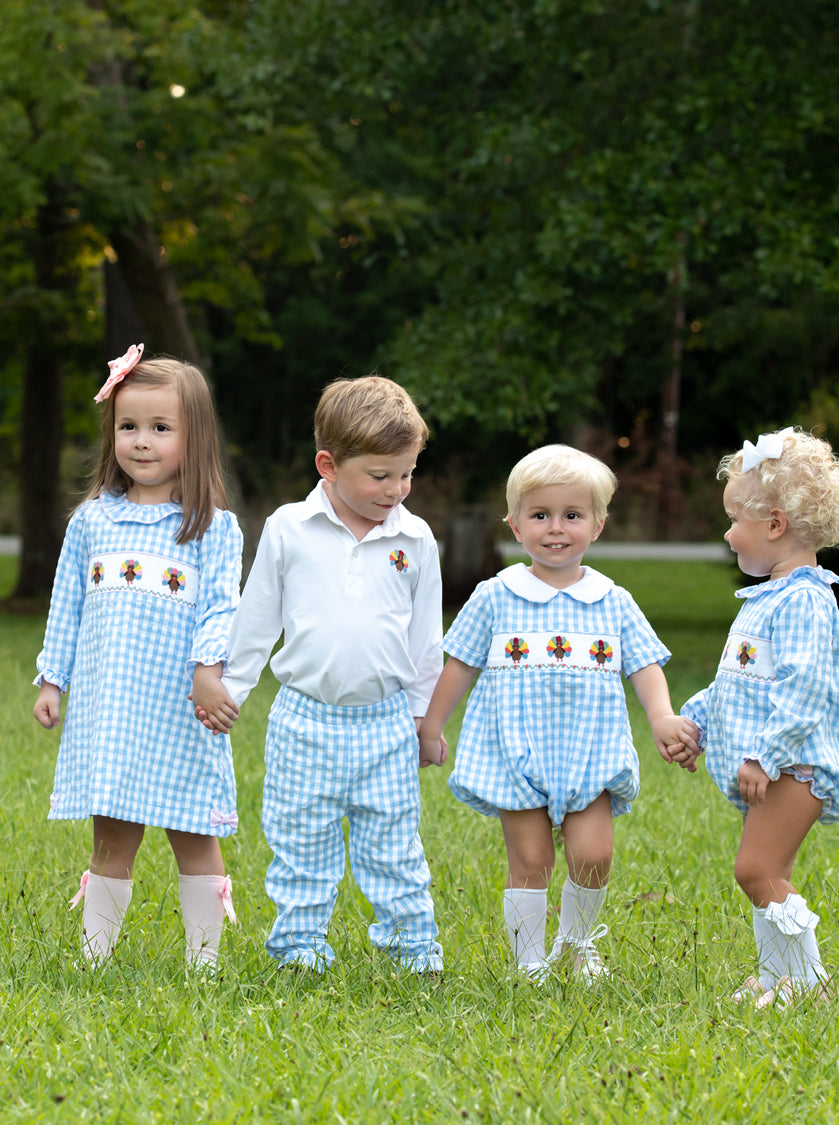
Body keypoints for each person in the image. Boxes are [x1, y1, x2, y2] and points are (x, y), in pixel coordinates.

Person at [417, 445, 699, 981]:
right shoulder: (495, 596)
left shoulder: (611, 599)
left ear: (597, 524)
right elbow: (459, 666)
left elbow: (644, 664)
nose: (556, 528)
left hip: (589, 749)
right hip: (514, 751)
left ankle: (577, 944)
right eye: (540, 515)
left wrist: (661, 716)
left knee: (593, 857)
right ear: (515, 525)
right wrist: (432, 725)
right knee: (532, 862)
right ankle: (529, 962)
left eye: (572, 515)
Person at [206, 375, 444, 974]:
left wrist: (426, 717)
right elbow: (257, 619)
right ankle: (300, 946)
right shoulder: (291, 528)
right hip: (304, 718)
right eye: (381, 475)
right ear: (329, 465)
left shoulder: (414, 538)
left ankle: (411, 944)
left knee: (393, 843)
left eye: (407, 473)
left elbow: (424, 640)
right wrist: (228, 691)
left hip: (386, 722)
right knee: (300, 839)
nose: (397, 489)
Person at [33, 344, 242, 971]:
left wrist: (208, 670)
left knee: (193, 833)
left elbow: (221, 608)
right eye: (128, 427)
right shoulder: (92, 522)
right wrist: (52, 680)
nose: (141, 441)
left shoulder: (212, 527)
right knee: (113, 837)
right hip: (112, 710)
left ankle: (203, 962)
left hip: (181, 708)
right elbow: (65, 605)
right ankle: (95, 957)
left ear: (194, 438)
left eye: (160, 428)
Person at [678, 427, 839, 1008]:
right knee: (767, 870)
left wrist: (767, 753)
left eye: (735, 518)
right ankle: (774, 974)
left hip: (796, 765)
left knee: (755, 868)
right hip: (774, 764)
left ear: (775, 525)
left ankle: (808, 982)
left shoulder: (807, 601)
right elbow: (738, 685)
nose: (728, 531)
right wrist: (697, 723)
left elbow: (809, 689)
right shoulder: (771, 597)